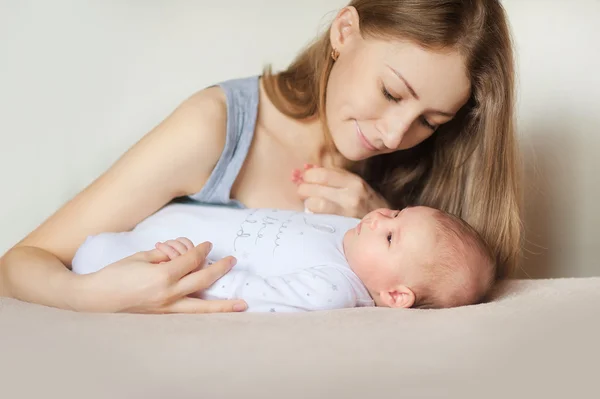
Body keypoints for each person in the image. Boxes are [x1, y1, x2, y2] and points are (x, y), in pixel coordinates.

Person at [0, 0, 522, 314]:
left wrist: (377, 215)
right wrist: (95, 297)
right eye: (390, 92)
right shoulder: (217, 130)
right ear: (344, 32)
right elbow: (18, 266)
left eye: (430, 121)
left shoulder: (413, 177)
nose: (393, 134)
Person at [71, 203, 496, 312]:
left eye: (390, 236)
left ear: (396, 295)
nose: (381, 216)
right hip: (183, 218)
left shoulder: (335, 287)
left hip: (168, 259)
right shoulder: (352, 230)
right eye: (399, 212)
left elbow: (253, 297)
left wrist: (193, 276)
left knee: (93, 253)